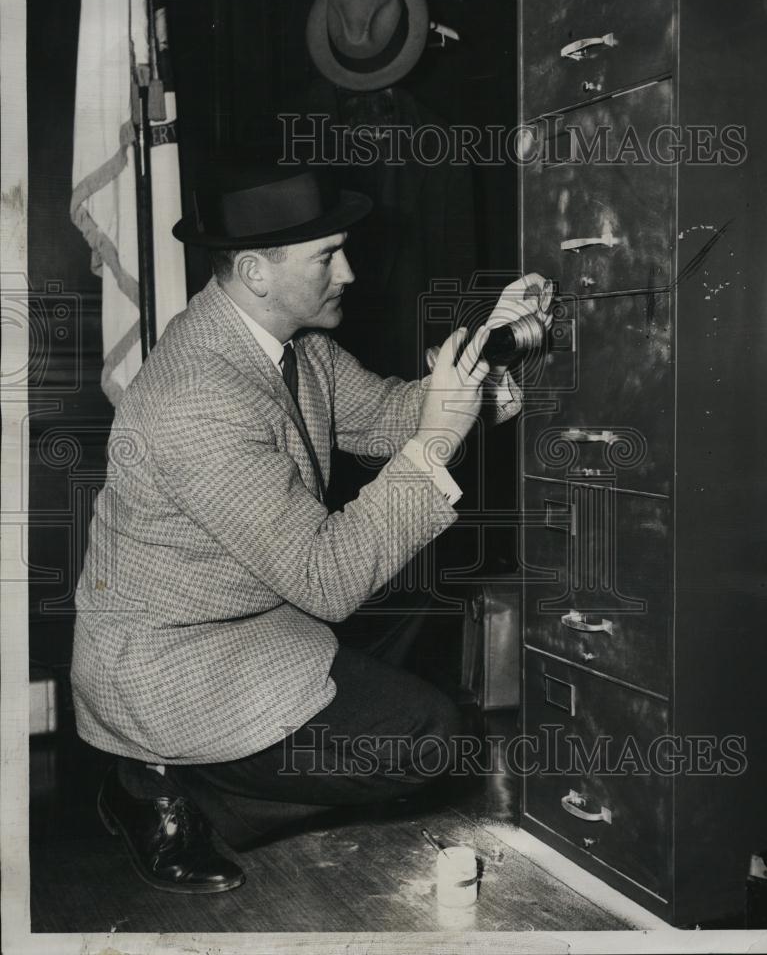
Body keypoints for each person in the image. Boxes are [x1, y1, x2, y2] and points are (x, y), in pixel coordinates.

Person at [70, 164, 546, 894]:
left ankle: (209, 768)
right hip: (172, 664)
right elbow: (326, 579)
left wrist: (489, 350)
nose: (349, 272)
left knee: (424, 576)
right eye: (327, 256)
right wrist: (436, 441)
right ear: (256, 271)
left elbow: (392, 414)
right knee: (432, 742)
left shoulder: (292, 343)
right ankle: (161, 791)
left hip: (255, 616)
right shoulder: (197, 395)